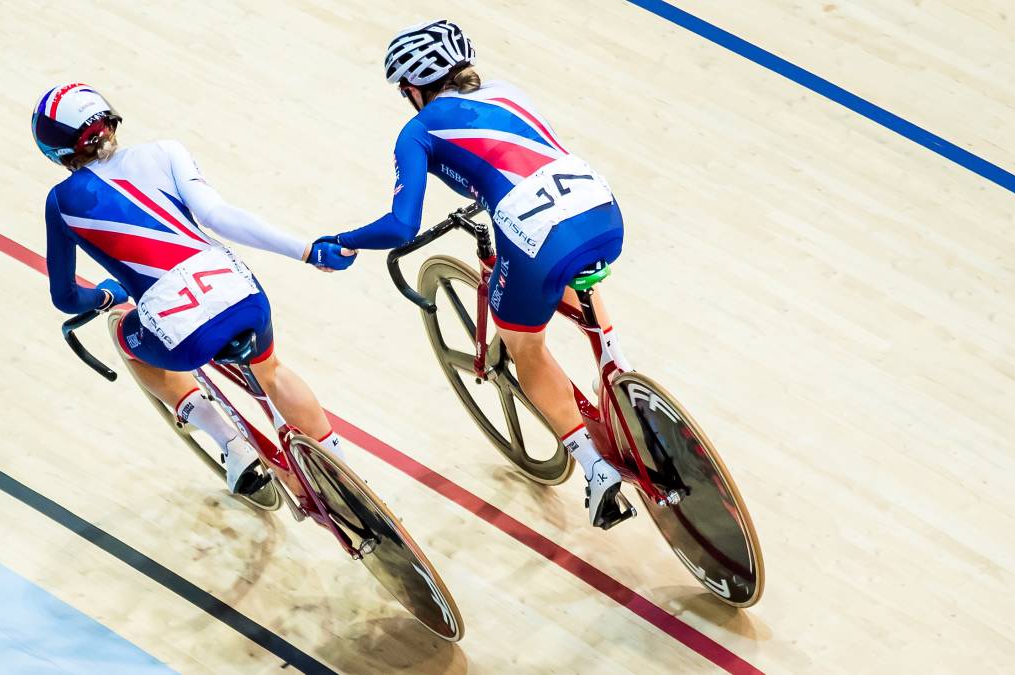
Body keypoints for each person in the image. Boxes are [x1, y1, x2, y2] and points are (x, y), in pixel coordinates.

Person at [327, 21, 634, 528]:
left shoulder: (418, 130)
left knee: (522, 343)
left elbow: (402, 225)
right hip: (600, 208)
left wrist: (343, 241)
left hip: (536, 236)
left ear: (412, 89)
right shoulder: (511, 93)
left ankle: (596, 469)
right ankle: (620, 373)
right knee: (578, 271)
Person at [34, 83, 357, 494]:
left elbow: (64, 299)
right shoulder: (166, 150)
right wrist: (308, 251)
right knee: (271, 370)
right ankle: (350, 480)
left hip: (178, 331)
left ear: (59, 155)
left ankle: (231, 443)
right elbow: (218, 216)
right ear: (110, 119)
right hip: (239, 293)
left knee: (123, 328)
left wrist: (105, 297)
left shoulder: (59, 202)